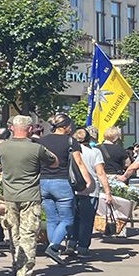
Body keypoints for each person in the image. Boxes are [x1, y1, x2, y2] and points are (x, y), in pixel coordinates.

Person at [0, 115, 59, 276]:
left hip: (9, 196)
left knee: (13, 232)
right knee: (29, 232)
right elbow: (54, 162)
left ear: (12, 128)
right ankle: (24, 269)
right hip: (30, 195)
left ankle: (16, 262)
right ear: (30, 129)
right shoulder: (35, 148)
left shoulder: (2, 147)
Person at [37, 113, 91, 265]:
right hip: (61, 182)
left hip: (43, 182)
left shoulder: (42, 141)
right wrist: (88, 181)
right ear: (66, 127)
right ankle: (54, 247)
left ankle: (53, 250)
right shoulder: (70, 141)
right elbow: (79, 162)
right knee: (67, 218)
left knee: (52, 219)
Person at [71, 126, 111, 257]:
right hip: (90, 190)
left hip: (72, 188)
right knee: (86, 221)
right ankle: (83, 248)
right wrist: (108, 192)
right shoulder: (95, 152)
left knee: (73, 218)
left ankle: (71, 244)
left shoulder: (70, 151)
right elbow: (100, 173)